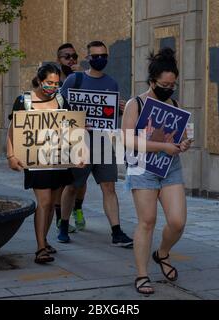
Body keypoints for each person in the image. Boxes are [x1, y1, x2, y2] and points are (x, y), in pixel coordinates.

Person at [122, 48, 192, 295]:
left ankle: (162, 253)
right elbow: (128, 141)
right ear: (152, 81)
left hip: (170, 168)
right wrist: (163, 145)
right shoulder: (136, 104)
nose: (169, 88)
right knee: (147, 221)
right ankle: (142, 275)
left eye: (173, 84)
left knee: (177, 221)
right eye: (164, 84)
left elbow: (182, 135)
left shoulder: (174, 104)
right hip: (143, 168)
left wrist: (184, 143)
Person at [58, 41, 133, 248]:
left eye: (104, 56)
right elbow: (59, 109)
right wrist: (79, 123)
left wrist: (122, 108)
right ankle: (63, 225)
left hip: (105, 140)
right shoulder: (75, 79)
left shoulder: (112, 83)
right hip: (79, 140)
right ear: (88, 58)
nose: (100, 59)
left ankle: (116, 232)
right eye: (96, 56)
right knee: (73, 186)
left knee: (109, 186)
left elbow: (112, 113)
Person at [6, 63, 75, 264]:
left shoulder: (61, 99)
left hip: (59, 160)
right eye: (49, 82)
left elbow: (70, 129)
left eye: (56, 83)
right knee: (43, 202)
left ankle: (44, 240)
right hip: (36, 161)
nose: (53, 86)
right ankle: (40, 248)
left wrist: (80, 152)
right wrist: (11, 156)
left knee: (53, 203)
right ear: (39, 79)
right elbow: (12, 131)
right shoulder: (24, 101)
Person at [55, 43, 87, 233]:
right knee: (62, 180)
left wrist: (82, 76)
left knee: (80, 180)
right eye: (67, 57)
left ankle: (77, 209)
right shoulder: (54, 80)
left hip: (82, 135)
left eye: (74, 56)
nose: (71, 60)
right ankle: (60, 217)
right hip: (61, 135)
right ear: (59, 60)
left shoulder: (83, 77)